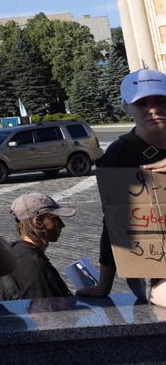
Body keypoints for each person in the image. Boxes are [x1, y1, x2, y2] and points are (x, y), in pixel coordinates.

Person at [77, 69, 166, 307]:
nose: (153, 109)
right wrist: (103, 285)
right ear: (126, 107)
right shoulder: (118, 155)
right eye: (142, 103)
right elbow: (114, 223)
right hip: (153, 268)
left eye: (160, 100)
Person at [0, 193, 75, 300]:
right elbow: (48, 313)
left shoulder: (15, 251)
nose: (62, 225)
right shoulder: (33, 265)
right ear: (38, 221)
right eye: (55, 219)